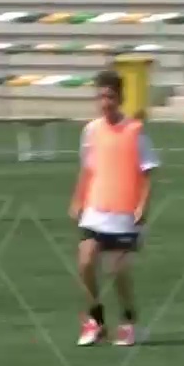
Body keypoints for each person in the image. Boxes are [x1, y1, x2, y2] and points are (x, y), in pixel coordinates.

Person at [70, 70, 160, 348]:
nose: (105, 102)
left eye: (110, 96)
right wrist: (77, 198)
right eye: (100, 97)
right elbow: (88, 169)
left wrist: (143, 205)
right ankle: (96, 321)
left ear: (120, 97)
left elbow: (147, 172)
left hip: (123, 213)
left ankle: (129, 321)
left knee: (116, 269)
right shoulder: (91, 130)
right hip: (95, 208)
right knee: (85, 261)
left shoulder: (135, 131)